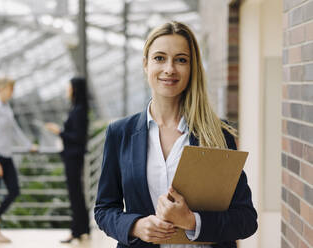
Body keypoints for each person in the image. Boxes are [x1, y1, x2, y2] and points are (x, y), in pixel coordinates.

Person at [94, 21, 258, 248]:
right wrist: (136, 226)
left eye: (181, 60)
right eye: (159, 58)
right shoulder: (120, 133)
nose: (169, 69)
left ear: (192, 68)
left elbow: (246, 219)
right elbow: (104, 210)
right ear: (145, 64)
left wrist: (192, 222)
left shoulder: (218, 134)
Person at [0, 77, 37, 243]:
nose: (12, 93)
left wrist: (28, 145)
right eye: (11, 89)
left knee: (14, 190)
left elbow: (14, 131)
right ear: (2, 89)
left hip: (6, 155)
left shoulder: (6, 107)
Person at [45, 77, 90, 244]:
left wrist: (59, 132)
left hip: (73, 157)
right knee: (77, 193)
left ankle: (75, 231)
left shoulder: (78, 110)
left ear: (74, 89)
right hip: (73, 156)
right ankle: (83, 229)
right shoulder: (78, 108)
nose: (67, 90)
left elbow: (77, 137)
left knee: (75, 194)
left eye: (68, 87)